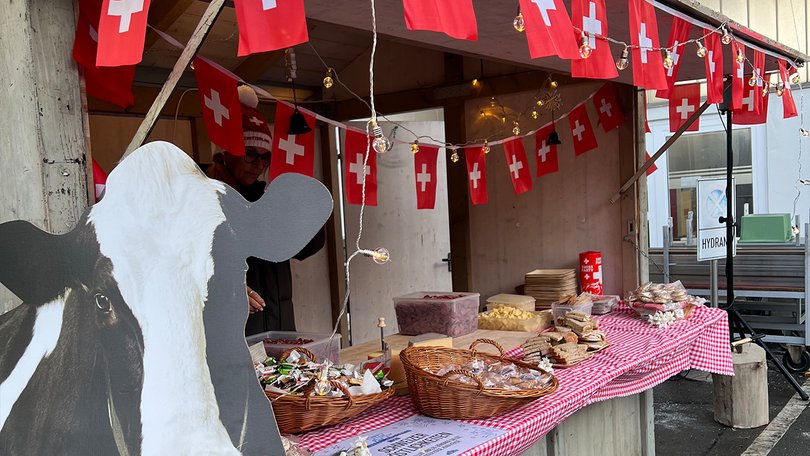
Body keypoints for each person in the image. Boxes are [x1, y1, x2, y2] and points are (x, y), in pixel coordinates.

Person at [206, 85, 325, 336]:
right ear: (226, 153)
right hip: (232, 336)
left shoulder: (267, 199)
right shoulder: (204, 201)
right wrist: (227, 286)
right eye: (250, 155)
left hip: (279, 327)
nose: (259, 165)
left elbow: (306, 246)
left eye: (265, 158)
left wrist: (303, 205)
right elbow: (188, 268)